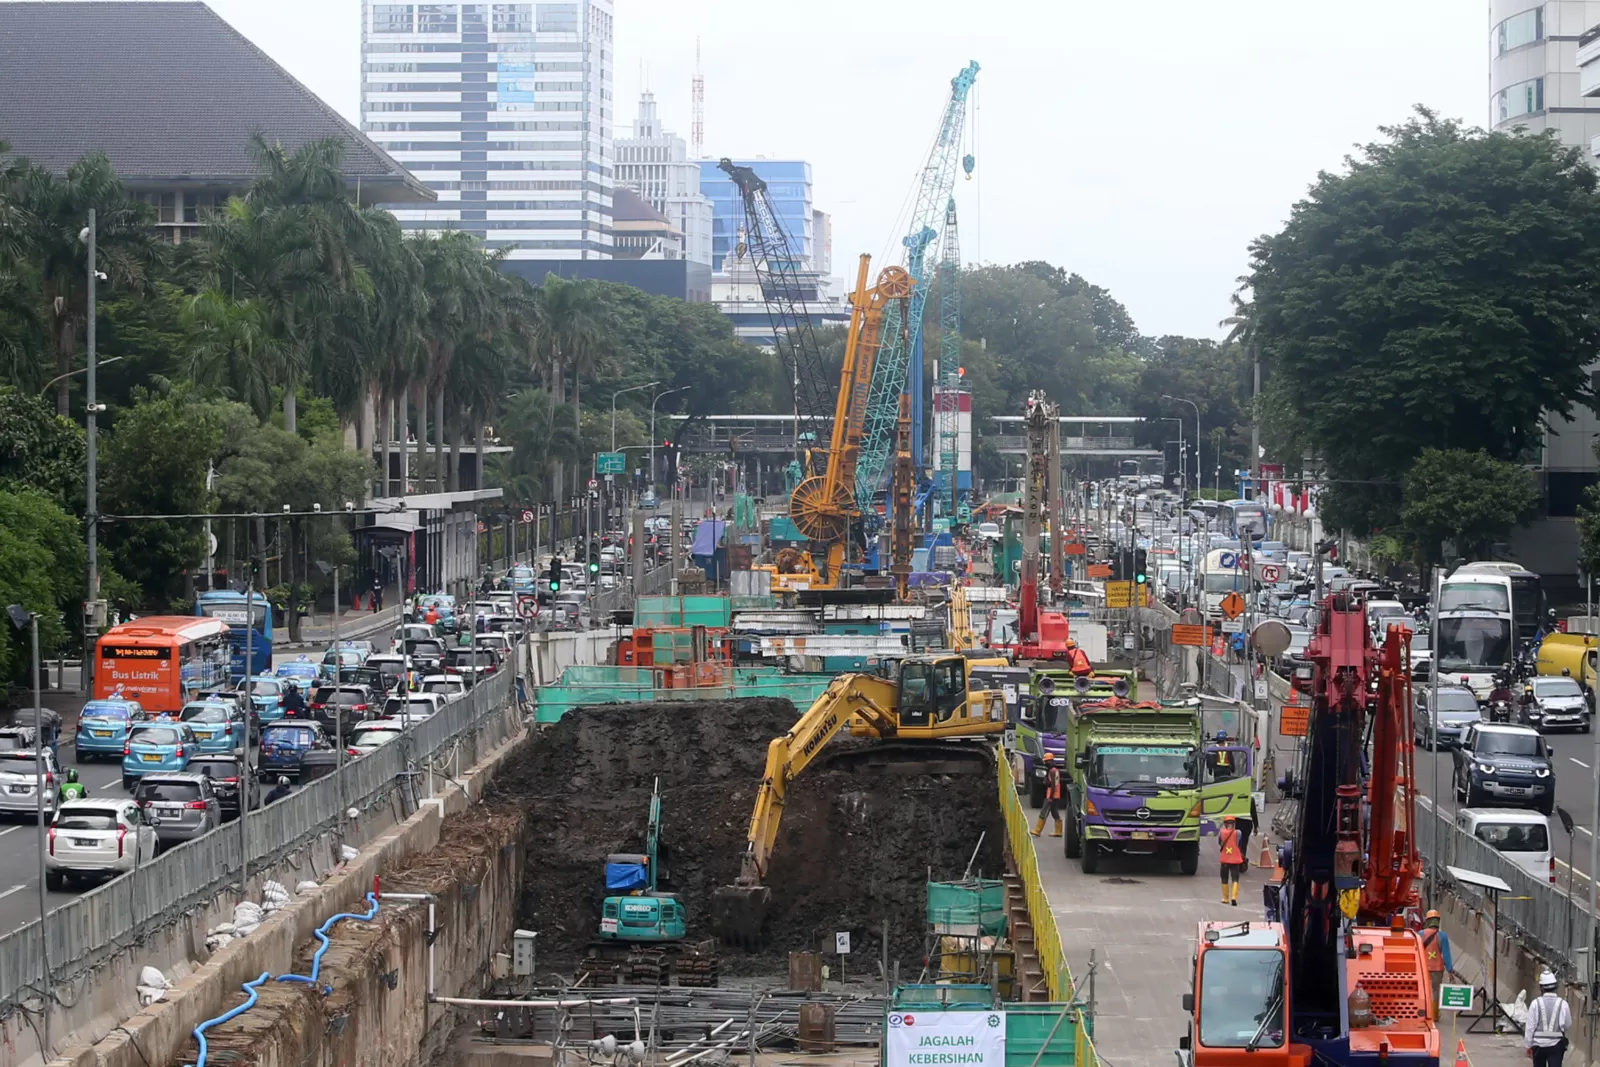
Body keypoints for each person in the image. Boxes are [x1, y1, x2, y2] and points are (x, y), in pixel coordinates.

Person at [1525, 969, 1571, 1066]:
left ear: (1541, 988)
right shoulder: (1563, 1004)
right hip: (1556, 1045)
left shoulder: (1535, 1004)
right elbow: (1567, 1025)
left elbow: (1530, 1027)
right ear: (1555, 987)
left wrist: (1528, 1045)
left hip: (1538, 1046)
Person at [1031, 752, 1066, 837]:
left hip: (1052, 795)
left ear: (1050, 761)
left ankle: (1038, 830)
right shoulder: (1054, 770)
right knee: (1055, 813)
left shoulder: (1052, 771)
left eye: (1046, 761)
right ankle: (1058, 831)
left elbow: (1053, 785)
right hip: (1055, 795)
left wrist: (1050, 797)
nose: (1045, 763)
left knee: (1044, 812)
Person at [1420, 910, 1451, 1004]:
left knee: (1424, 990)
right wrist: (1450, 970)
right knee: (1436, 991)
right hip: (1437, 969)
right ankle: (1435, 1014)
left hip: (1423, 967)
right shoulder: (1443, 936)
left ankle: (1424, 1011)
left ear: (1427, 921)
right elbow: (1446, 955)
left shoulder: (1420, 934)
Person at [1219, 814, 1246, 906]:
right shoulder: (1238, 833)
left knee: (1224, 878)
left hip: (1224, 859)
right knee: (1235, 879)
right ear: (1234, 824)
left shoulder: (1221, 832)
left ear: (1225, 824)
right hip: (1235, 859)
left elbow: (1220, 843)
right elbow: (1239, 844)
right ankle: (1234, 897)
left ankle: (1225, 898)